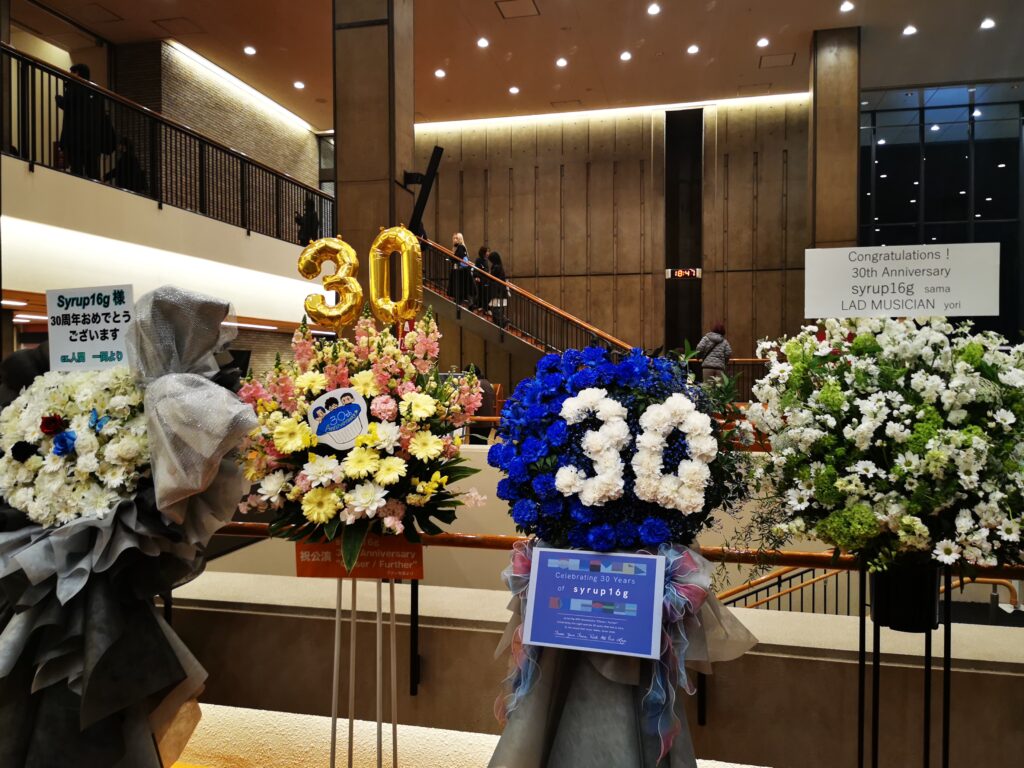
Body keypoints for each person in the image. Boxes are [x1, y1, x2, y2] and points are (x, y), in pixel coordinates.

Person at [56, 63, 113, 180]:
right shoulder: (95, 90)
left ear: (77, 73)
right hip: (93, 140)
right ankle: (96, 189)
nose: (70, 75)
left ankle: (78, 188)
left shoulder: (75, 87)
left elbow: (67, 105)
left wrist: (58, 99)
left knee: (77, 169)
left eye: (72, 72)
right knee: (92, 169)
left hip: (76, 138)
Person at [487, 251, 510, 328]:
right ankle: (501, 324)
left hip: (497, 291)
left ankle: (504, 321)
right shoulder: (499, 266)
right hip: (500, 291)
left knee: (495, 309)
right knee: (497, 308)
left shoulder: (496, 267)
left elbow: (491, 277)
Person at [449, 233, 472, 305]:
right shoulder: (458, 247)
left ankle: (459, 300)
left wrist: (451, 258)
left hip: (461, 270)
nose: (455, 240)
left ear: (460, 239)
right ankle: (459, 300)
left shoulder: (461, 247)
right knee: (459, 286)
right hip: (461, 270)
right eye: (454, 238)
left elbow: (458, 257)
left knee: (459, 286)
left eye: (456, 238)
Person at [472, 245, 490, 311]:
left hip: (485, 280)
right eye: (487, 251)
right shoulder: (479, 260)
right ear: (483, 252)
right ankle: (479, 306)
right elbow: (476, 269)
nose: (488, 253)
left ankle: (484, 307)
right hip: (480, 279)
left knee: (485, 294)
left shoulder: (486, 260)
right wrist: (477, 277)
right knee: (480, 293)